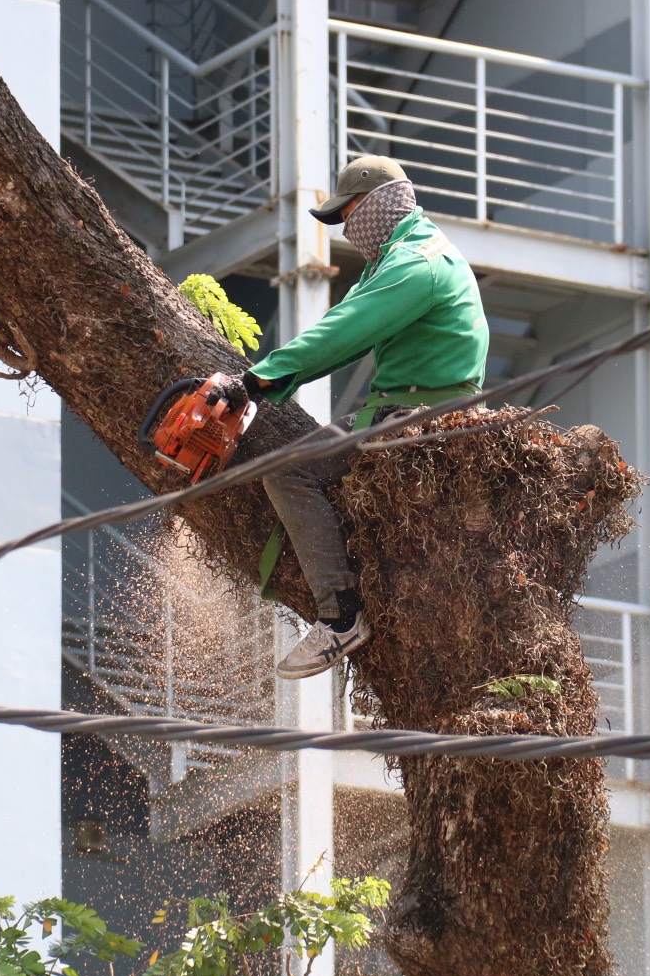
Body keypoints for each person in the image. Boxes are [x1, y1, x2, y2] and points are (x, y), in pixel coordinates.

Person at [208, 155, 490, 680]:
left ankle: (339, 616)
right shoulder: (394, 259)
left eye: (349, 212)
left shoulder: (416, 263)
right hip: (406, 404)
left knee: (289, 468)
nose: (346, 227)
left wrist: (253, 381)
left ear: (379, 203)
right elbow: (341, 336)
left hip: (418, 412)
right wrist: (266, 385)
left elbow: (343, 332)